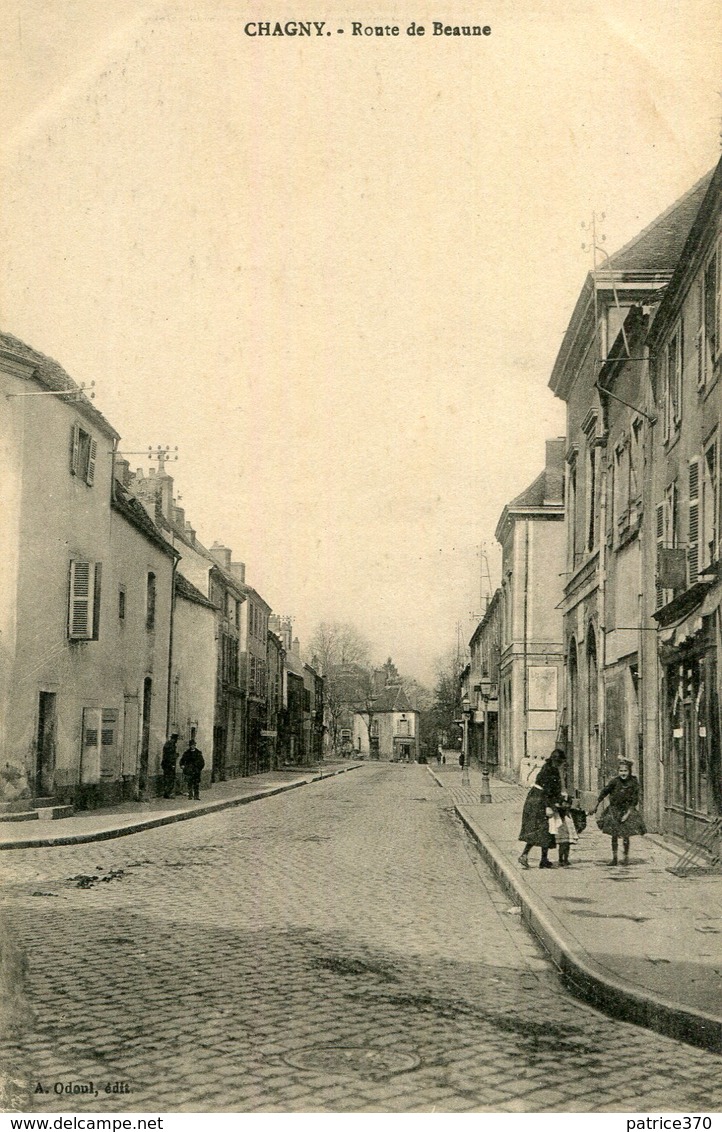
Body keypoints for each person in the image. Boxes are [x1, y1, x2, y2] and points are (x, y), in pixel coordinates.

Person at [589, 758, 646, 865]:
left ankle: (625, 857)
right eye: (621, 771)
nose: (623, 773)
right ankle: (614, 858)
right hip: (614, 810)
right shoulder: (614, 782)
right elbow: (604, 792)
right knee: (614, 835)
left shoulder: (633, 783)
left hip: (627, 810)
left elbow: (634, 801)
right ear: (618, 771)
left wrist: (627, 814)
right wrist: (596, 805)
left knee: (626, 835)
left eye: (625, 771)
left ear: (629, 771)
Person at [518, 748, 566, 869]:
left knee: (547, 830)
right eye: (560, 762)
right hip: (540, 800)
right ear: (557, 761)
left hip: (538, 799)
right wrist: (549, 806)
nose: (561, 765)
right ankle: (524, 855)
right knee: (540, 829)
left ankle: (544, 859)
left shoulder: (549, 767)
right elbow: (548, 790)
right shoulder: (550, 770)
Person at [555, 793, 578, 867]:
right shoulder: (561, 814)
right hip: (562, 827)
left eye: (568, 804)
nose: (567, 805)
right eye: (565, 803)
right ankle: (561, 859)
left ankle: (566, 859)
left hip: (568, 827)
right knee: (562, 844)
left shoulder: (569, 814)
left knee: (567, 844)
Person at [161, 733, 179, 798]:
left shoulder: (167, 744)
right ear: (174, 739)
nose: (177, 741)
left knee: (166, 778)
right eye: (176, 739)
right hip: (169, 764)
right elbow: (170, 756)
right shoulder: (171, 745)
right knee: (170, 779)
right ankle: (167, 793)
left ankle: (166, 793)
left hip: (165, 764)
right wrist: (172, 764)